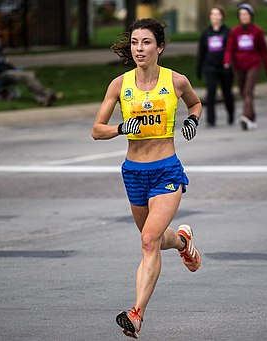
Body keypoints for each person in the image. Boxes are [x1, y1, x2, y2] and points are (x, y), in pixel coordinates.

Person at [91, 18, 202, 339]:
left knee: (148, 240)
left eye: (146, 43)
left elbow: (195, 102)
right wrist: (119, 129)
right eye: (135, 43)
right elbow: (96, 130)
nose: (139, 49)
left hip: (166, 169)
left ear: (160, 47)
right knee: (154, 238)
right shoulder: (119, 85)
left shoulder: (176, 81)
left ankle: (136, 314)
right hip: (134, 172)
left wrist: (193, 120)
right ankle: (183, 241)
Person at [0, 29, 62, 106]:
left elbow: (6, 63)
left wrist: (14, 69)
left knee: (29, 75)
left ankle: (43, 98)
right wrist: (8, 68)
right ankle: (46, 95)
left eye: (0, 37)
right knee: (26, 75)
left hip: (6, 72)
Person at [223, 3, 267, 131]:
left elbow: (264, 51)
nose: (244, 17)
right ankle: (252, 117)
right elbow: (229, 49)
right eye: (241, 15)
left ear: (251, 16)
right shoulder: (235, 31)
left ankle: (246, 116)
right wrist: (227, 62)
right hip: (239, 66)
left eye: (246, 15)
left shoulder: (257, 31)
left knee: (247, 91)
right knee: (242, 92)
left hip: (253, 64)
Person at [197, 6, 235, 127]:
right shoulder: (206, 33)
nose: (215, 17)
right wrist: (199, 67)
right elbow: (202, 51)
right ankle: (211, 119)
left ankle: (231, 114)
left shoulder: (227, 32)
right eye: (213, 14)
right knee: (211, 92)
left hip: (224, 67)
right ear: (210, 17)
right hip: (210, 67)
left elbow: (231, 49)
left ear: (222, 17)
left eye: (217, 14)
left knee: (227, 92)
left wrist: (230, 64)